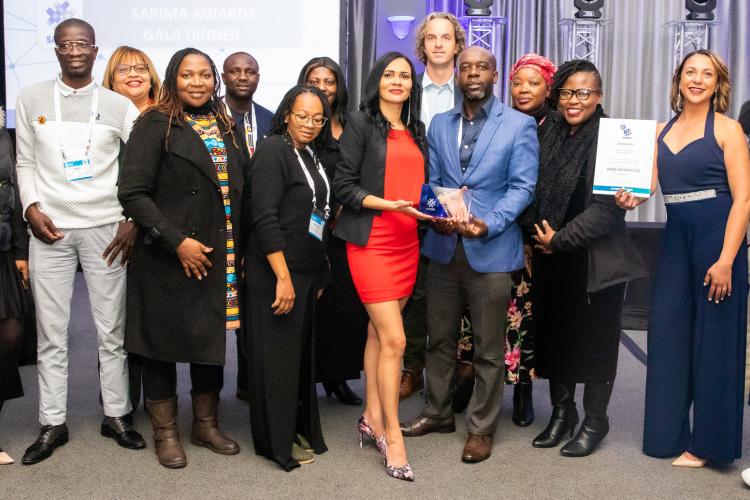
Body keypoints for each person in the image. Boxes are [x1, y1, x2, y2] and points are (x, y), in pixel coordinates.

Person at [399, 46, 539, 464]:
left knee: (487, 349)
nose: (473, 74)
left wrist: (488, 222)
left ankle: (481, 428)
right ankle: (438, 412)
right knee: (437, 340)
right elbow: (438, 181)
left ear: (495, 75)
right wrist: (437, 215)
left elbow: (522, 187)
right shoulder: (440, 124)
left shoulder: (519, 125)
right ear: (457, 76)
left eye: (482, 67)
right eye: (467, 68)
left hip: (492, 250)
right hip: (443, 249)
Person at [15, 18, 145, 465]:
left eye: (82, 44)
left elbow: (141, 165)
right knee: (52, 333)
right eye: (65, 43)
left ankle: (117, 415)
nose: (74, 50)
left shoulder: (117, 104)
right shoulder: (31, 97)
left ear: (95, 50)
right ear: (55, 49)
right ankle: (53, 422)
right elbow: (25, 161)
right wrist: (31, 207)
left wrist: (132, 217)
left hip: (106, 226)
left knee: (111, 330)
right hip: (48, 227)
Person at [617, 50, 750, 467]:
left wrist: (728, 258)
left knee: (715, 343)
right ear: (678, 80)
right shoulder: (659, 132)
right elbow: (646, 190)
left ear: (717, 84)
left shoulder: (729, 131)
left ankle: (709, 446)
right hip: (675, 240)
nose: (697, 79)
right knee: (668, 335)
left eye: (706, 74)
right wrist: (627, 198)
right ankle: (666, 435)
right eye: (690, 72)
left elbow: (744, 199)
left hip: (718, 241)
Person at [118, 48, 246, 469]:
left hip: (217, 251)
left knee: (208, 338)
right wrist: (176, 242)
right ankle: (166, 433)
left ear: (215, 80)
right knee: (161, 343)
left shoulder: (225, 122)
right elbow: (132, 193)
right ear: (173, 79)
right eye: (188, 75)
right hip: (169, 255)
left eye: (205, 75)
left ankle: (204, 425)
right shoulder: (155, 122)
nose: (197, 82)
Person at [525, 59, 646, 458]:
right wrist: (539, 239)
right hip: (551, 258)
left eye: (583, 93)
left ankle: (595, 421)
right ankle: (563, 414)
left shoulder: (614, 139)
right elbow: (532, 188)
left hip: (595, 260)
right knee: (556, 339)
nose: (573, 101)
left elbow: (608, 208)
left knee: (594, 345)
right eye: (565, 92)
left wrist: (560, 239)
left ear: (599, 96)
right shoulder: (547, 133)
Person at [334, 51, 431, 481]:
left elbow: (419, 186)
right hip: (371, 242)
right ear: (378, 81)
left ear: (413, 85)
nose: (397, 81)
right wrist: (386, 204)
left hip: (408, 242)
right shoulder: (360, 123)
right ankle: (393, 436)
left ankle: (372, 415)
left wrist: (441, 203)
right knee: (395, 340)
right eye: (389, 74)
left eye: (405, 76)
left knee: (377, 333)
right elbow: (344, 186)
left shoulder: (416, 128)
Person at [451, 53, 557, 425]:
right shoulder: (491, 120)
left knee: (520, 320)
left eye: (533, 82)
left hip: (537, 240)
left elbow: (537, 188)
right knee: (478, 316)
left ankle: (523, 387)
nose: (524, 89)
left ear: (549, 86)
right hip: (494, 236)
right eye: (518, 82)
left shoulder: (557, 126)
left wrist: (533, 236)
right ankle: (468, 379)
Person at [243, 85, 332, 470]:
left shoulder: (308, 153)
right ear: (285, 115)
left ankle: (294, 429)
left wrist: (319, 272)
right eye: (302, 116)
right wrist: (283, 278)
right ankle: (274, 443)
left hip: (305, 271)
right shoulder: (273, 150)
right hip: (277, 273)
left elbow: (318, 214)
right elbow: (264, 218)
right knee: (276, 364)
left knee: (296, 362)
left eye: (317, 118)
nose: (310, 124)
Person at [400, 11, 466, 400]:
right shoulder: (407, 91)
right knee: (414, 293)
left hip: (459, 205)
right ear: (422, 46)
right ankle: (413, 367)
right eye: (431, 38)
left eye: (446, 37)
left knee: (455, 290)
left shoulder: (471, 89)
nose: (439, 43)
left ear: (457, 45)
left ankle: (457, 368)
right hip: (410, 201)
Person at [298, 57, 368, 406]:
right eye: (315, 79)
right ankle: (306, 379)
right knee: (311, 306)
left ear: (339, 86)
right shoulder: (299, 122)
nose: (323, 87)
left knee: (344, 308)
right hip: (309, 231)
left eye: (329, 81)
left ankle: (338, 377)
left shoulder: (354, 123)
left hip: (347, 230)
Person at [102, 45, 161, 417]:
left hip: (153, 228)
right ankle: (117, 402)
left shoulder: (166, 116)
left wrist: (136, 220)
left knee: (145, 316)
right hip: (105, 223)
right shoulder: (99, 113)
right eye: (124, 70)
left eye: (141, 68)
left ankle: (148, 401)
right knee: (113, 317)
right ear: (111, 78)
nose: (133, 74)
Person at [219, 51, 274, 403]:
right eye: (235, 71)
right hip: (218, 222)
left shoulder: (269, 119)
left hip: (258, 222)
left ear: (258, 76)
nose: (243, 76)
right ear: (222, 76)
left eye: (250, 71)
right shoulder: (207, 117)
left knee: (254, 304)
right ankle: (206, 394)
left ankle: (248, 382)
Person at [0, 107, 29, 465]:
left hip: (3, 248)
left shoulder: (3, 134)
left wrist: (21, 249)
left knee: (9, 336)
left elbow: (13, 191)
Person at [103, 46, 161, 112]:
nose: (133, 74)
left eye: (141, 68)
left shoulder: (169, 116)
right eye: (123, 69)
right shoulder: (99, 116)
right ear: (111, 81)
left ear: (151, 79)